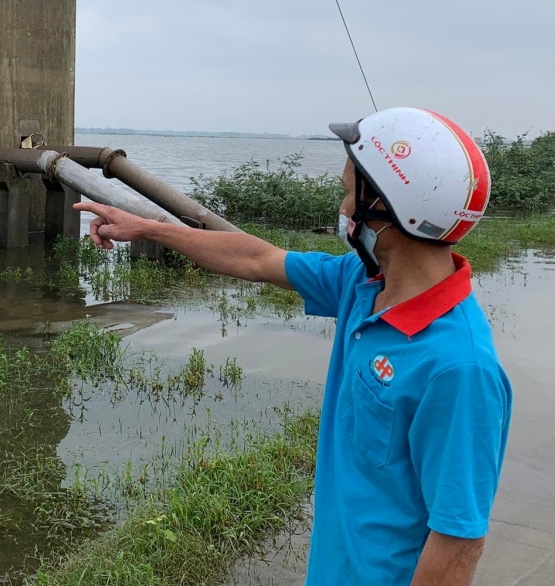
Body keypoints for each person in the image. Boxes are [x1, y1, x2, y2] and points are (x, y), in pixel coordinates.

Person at [76, 107, 512, 586]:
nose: (345, 210)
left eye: (349, 193)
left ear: (391, 208)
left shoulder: (459, 367)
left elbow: (458, 540)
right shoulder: (362, 283)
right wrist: (147, 228)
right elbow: (259, 258)